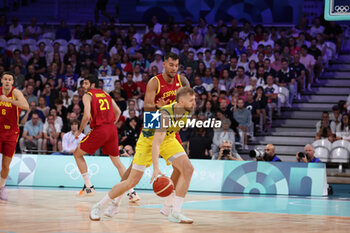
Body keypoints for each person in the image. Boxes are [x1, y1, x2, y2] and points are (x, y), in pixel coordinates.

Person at [100, 52, 191, 218]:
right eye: (171, 65)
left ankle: (168, 204)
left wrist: (172, 110)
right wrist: (163, 109)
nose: (174, 68)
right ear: (164, 64)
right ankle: (116, 202)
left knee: (182, 166)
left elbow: (187, 100)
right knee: (132, 172)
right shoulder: (154, 82)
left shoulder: (182, 80)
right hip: (153, 125)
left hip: (171, 126)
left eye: (176, 65)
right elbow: (148, 107)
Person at [90, 87, 196, 223]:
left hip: (168, 139)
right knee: (131, 182)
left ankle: (175, 212)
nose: (194, 103)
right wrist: (156, 168)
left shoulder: (186, 110)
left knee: (188, 169)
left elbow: (168, 134)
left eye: (194, 100)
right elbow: (156, 144)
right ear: (181, 101)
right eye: (191, 100)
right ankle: (99, 206)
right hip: (148, 142)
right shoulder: (165, 115)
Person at [72, 74, 139, 201]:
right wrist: (111, 125)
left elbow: (86, 116)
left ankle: (89, 187)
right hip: (112, 130)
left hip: (100, 129)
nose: (83, 86)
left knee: (77, 154)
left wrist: (79, 131)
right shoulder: (105, 94)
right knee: (118, 163)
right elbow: (118, 111)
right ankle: (132, 192)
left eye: (86, 83)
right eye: (82, 83)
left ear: (92, 85)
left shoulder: (88, 95)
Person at [0, 72, 29, 200]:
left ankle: (1, 187)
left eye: (9, 79)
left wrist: (9, 100)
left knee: (6, 165)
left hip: (11, 133)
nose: (7, 81)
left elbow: (26, 106)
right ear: (1, 80)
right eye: (5, 79)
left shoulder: (16, 93)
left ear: (12, 82)